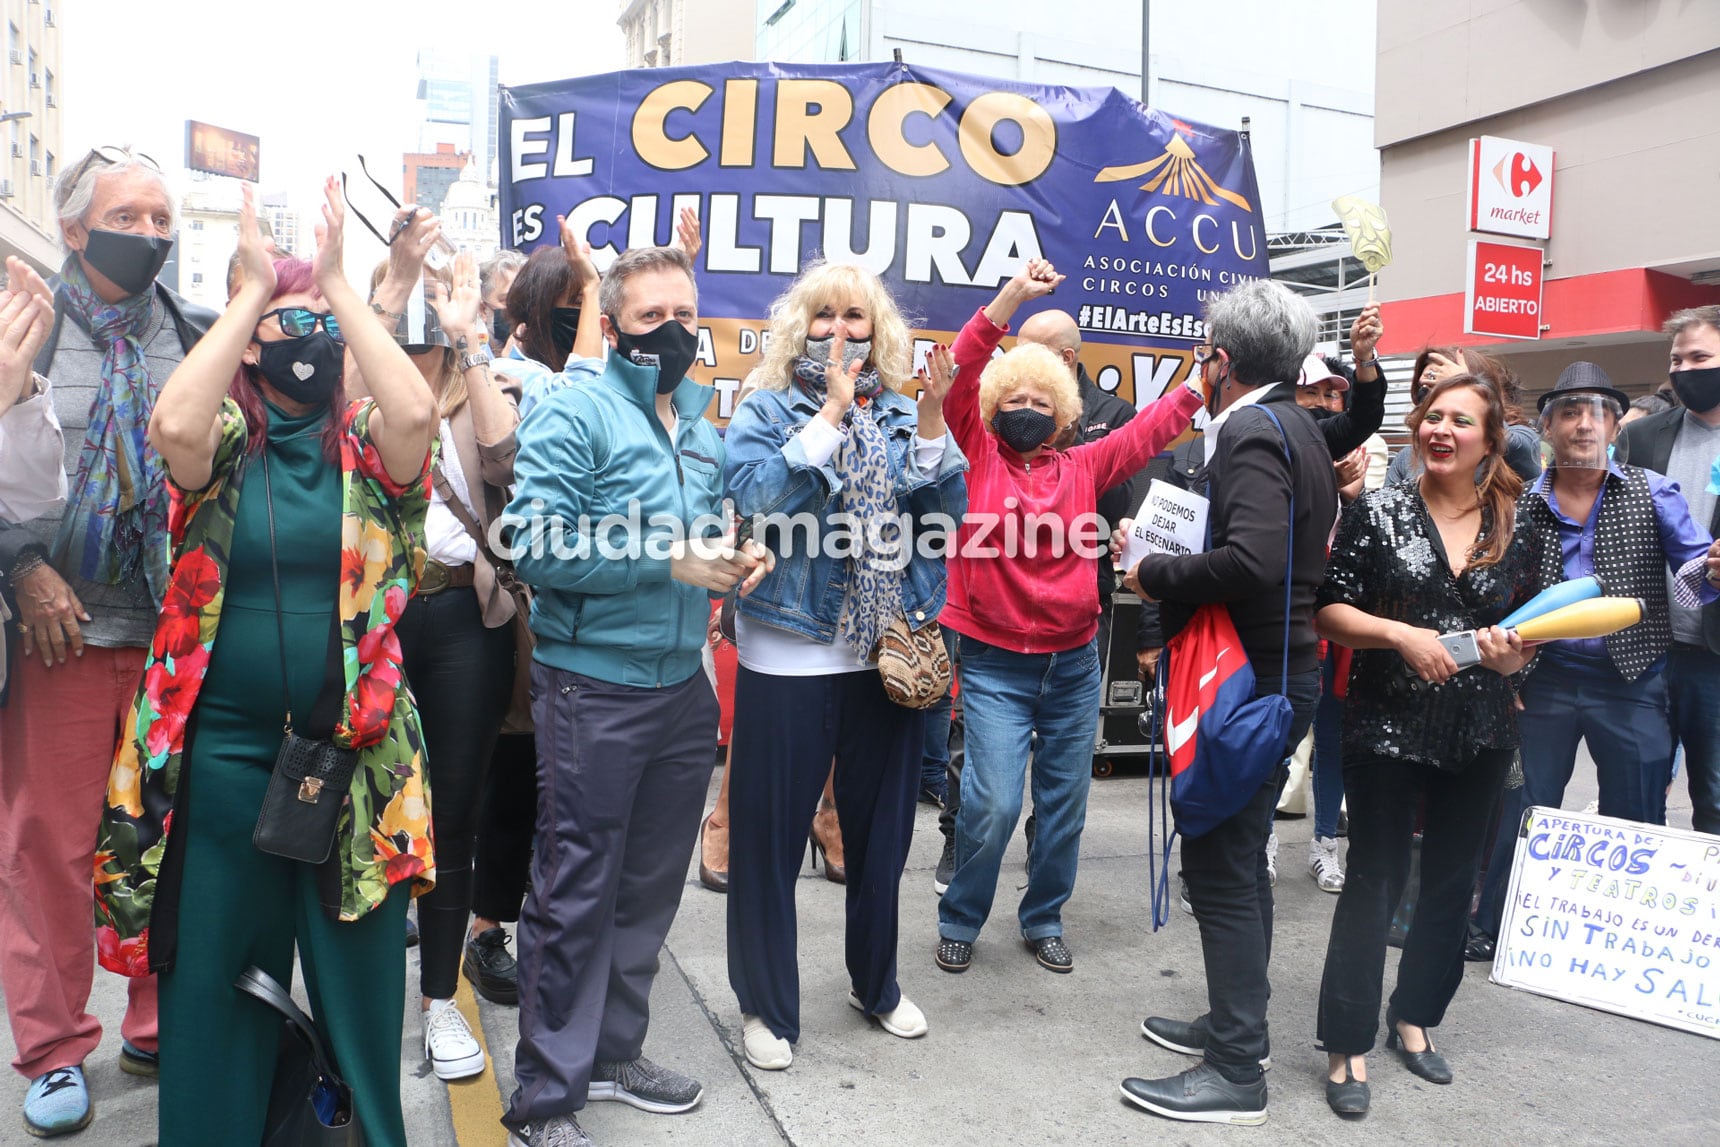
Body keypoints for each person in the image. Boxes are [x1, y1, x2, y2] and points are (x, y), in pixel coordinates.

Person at [95, 180, 438, 1146]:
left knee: (364, 1000)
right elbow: (173, 428)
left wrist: (337, 282)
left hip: (357, 767)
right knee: (211, 995)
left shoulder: (371, 451)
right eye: (300, 319)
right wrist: (252, 289)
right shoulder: (229, 444)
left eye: (329, 323)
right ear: (252, 338)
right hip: (225, 760)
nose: (315, 334)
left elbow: (414, 412)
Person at [500, 244, 771, 1147]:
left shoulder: (699, 422)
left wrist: (739, 556)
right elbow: (534, 546)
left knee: (648, 893)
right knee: (574, 891)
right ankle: (545, 1096)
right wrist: (665, 557)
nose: (676, 330)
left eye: (686, 312)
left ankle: (614, 1052)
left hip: (681, 691)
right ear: (609, 327)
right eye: (652, 317)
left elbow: (706, 535)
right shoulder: (571, 410)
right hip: (592, 691)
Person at [0, 145, 218, 1138]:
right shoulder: (25, 329)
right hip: (63, 635)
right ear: (76, 227)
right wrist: (21, 565)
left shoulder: (189, 332)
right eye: (129, 216)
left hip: (174, 635)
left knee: (161, 838)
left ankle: (153, 1015)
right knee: (51, 847)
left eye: (164, 217)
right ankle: (51, 1044)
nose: (152, 235)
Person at [721, 261, 966, 1070]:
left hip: (882, 656)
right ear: (800, 325)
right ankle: (766, 1005)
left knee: (881, 837)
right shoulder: (765, 409)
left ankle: (877, 984)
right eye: (823, 315)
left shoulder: (902, 411)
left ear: (877, 328)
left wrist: (931, 421)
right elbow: (759, 500)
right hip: (786, 654)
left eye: (855, 316)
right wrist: (828, 413)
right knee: (769, 842)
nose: (840, 329)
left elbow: (944, 522)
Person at [934, 258, 1202, 976]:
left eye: (1040, 396)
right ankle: (961, 914)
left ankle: (1043, 915)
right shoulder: (975, 451)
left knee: (1064, 810)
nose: (1026, 405)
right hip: (994, 665)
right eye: (1012, 394)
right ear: (993, 405)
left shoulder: (1082, 466)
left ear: (1064, 409)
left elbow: (1148, 432)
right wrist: (1013, 297)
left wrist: (1203, 385)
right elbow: (961, 369)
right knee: (988, 806)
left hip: (1074, 666)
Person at [1121, 279, 1335, 1127]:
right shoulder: (1297, 425)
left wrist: (1150, 572)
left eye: (1207, 352)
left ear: (1223, 359)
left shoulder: (1251, 428)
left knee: (1221, 865)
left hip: (1251, 679)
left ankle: (1238, 1066)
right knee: (1239, 858)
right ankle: (1234, 1023)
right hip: (1274, 671)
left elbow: (1251, 560)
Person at [1311, 373, 1541, 1116]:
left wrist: (1518, 656)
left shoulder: (1518, 520)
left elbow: (1542, 616)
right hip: (1384, 721)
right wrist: (1399, 633)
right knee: (1375, 880)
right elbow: (1328, 608)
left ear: (1489, 440)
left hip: (1480, 727)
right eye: (1432, 416)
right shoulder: (1378, 511)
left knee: (1448, 882)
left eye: (1460, 420)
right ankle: (1346, 1043)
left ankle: (1413, 1017)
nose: (1441, 429)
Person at [1474, 361, 1719, 946]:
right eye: (1570, 413)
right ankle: (1494, 924)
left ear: (1615, 429)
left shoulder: (1653, 491)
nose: (1584, 424)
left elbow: (1688, 580)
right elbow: (1499, 591)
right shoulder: (1520, 502)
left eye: (1598, 413)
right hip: (1546, 676)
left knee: (1636, 810)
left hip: (1631, 678)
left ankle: (1633, 938)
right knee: (1523, 803)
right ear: (1550, 427)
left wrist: (1711, 572)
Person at [369, 235, 525, 1077]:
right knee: (361, 811)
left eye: (444, 293)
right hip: (371, 624)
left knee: (455, 812)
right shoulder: (355, 380)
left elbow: (510, 464)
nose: (432, 306)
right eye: (416, 297)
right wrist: (383, 302)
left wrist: (469, 343)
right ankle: (353, 1010)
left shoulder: (482, 381)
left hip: (466, 615)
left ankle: (438, 1005)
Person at [1619, 306, 1720, 835]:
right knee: (1637, 791)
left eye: (1700, 357)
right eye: (1677, 359)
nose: (1685, 370)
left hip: (1714, 656)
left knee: (1715, 797)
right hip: (1647, 645)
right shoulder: (1642, 438)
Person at [1386, 347, 1542, 485]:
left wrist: (1470, 386)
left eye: (1446, 388)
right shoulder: (1407, 458)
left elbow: (1512, 445)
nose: (1435, 399)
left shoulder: (1520, 436)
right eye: (1425, 391)